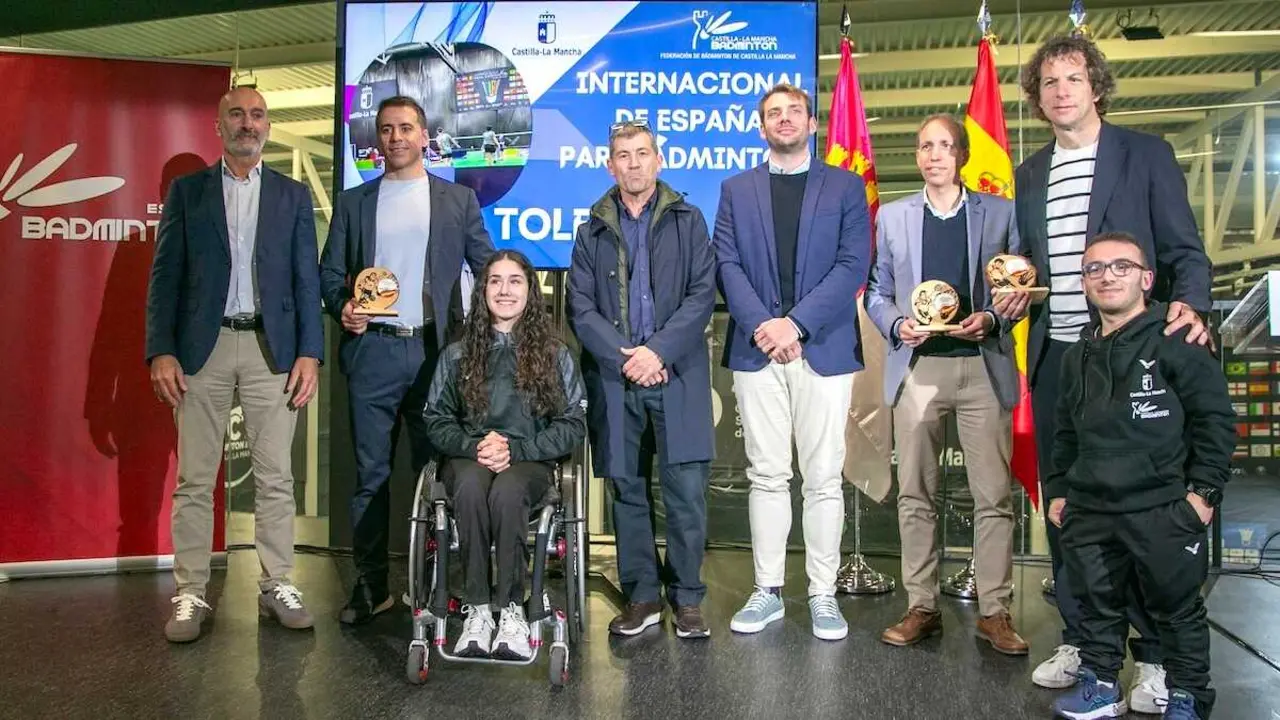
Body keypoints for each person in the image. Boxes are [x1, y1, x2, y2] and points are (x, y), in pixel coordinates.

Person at [1009, 34, 1213, 710]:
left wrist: (1192, 305)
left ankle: (1153, 657)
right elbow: (1032, 263)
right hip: (1061, 358)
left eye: (1073, 78)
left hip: (1136, 355)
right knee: (1070, 508)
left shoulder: (1145, 154)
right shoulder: (1030, 172)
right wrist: (1016, 292)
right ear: (1037, 99)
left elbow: (1185, 249)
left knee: (1145, 516)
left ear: (1096, 86)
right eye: (1049, 82)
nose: (1061, 90)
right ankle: (1084, 642)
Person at [145, 86, 322, 643]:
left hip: (274, 350)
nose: (249, 123)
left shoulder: (293, 196)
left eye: (257, 115)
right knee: (196, 479)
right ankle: (191, 592)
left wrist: (310, 352)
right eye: (237, 114)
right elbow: (165, 277)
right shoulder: (187, 192)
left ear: (267, 126)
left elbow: (307, 280)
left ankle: (277, 584)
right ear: (218, 125)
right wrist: (160, 349)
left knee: (275, 478)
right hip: (204, 349)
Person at [320, 95, 494, 625]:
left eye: (405, 128)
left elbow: (487, 266)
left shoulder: (458, 200)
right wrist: (343, 306)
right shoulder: (353, 202)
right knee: (370, 477)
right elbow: (330, 275)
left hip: (434, 353)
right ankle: (372, 587)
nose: (395, 137)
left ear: (424, 135)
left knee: (437, 475)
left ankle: (438, 590)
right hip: (372, 351)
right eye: (386, 129)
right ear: (378, 138)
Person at [1047, 232, 1233, 720]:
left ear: (1147, 279)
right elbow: (1064, 432)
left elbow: (1215, 420)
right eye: (1094, 268)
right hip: (1091, 509)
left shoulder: (1179, 339)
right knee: (1096, 606)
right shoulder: (1075, 355)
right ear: (1083, 283)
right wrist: (1060, 490)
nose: (1107, 276)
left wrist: (1203, 494)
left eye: (1121, 266)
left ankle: (1189, 696)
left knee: (1178, 611)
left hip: (1162, 507)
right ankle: (1101, 687)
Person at [713, 84, 870, 641]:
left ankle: (823, 594)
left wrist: (796, 325)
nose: (784, 120)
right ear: (761, 128)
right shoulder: (735, 190)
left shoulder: (846, 186)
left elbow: (853, 265)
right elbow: (727, 265)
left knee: (823, 478)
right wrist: (767, 326)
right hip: (757, 350)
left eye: (793, 112)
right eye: (773, 114)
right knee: (767, 475)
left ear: (811, 123)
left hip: (822, 349)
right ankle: (769, 591)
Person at [866, 115, 1027, 655]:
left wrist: (994, 318)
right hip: (918, 367)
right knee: (915, 493)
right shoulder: (892, 217)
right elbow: (877, 291)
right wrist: (896, 325)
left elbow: (1018, 288)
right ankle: (922, 607)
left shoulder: (1001, 212)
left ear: (961, 154)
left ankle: (995, 611)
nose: (933, 155)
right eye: (924, 147)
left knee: (993, 496)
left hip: (982, 364)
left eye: (943, 146)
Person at [567, 120, 717, 639]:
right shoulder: (590, 230)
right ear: (611, 166)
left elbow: (702, 294)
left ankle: (687, 598)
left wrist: (657, 352)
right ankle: (643, 596)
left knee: (686, 492)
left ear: (658, 159)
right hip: (617, 379)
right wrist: (627, 358)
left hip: (677, 373)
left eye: (642, 153)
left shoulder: (689, 220)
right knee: (627, 491)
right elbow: (580, 307)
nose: (633, 163)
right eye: (623, 156)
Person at [424, 250, 586, 660]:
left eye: (515, 281)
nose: (505, 290)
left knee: (508, 491)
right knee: (471, 486)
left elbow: (572, 424)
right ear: (483, 291)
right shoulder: (458, 354)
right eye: (495, 281)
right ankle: (478, 610)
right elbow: (436, 420)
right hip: (470, 455)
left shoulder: (556, 354)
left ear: (530, 290)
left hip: (530, 459)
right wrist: (475, 446)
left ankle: (512, 608)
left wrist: (517, 449)